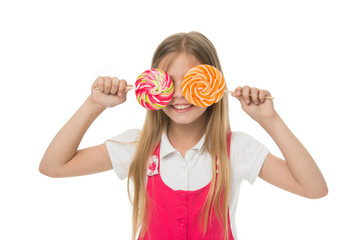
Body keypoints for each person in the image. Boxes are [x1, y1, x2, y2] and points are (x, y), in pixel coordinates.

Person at [39, 31, 328, 240]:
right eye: (168, 81)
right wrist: (94, 105)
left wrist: (271, 120)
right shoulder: (137, 147)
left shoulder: (236, 149)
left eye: (192, 80)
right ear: (151, 85)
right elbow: (54, 166)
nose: (178, 94)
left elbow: (314, 188)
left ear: (213, 85)